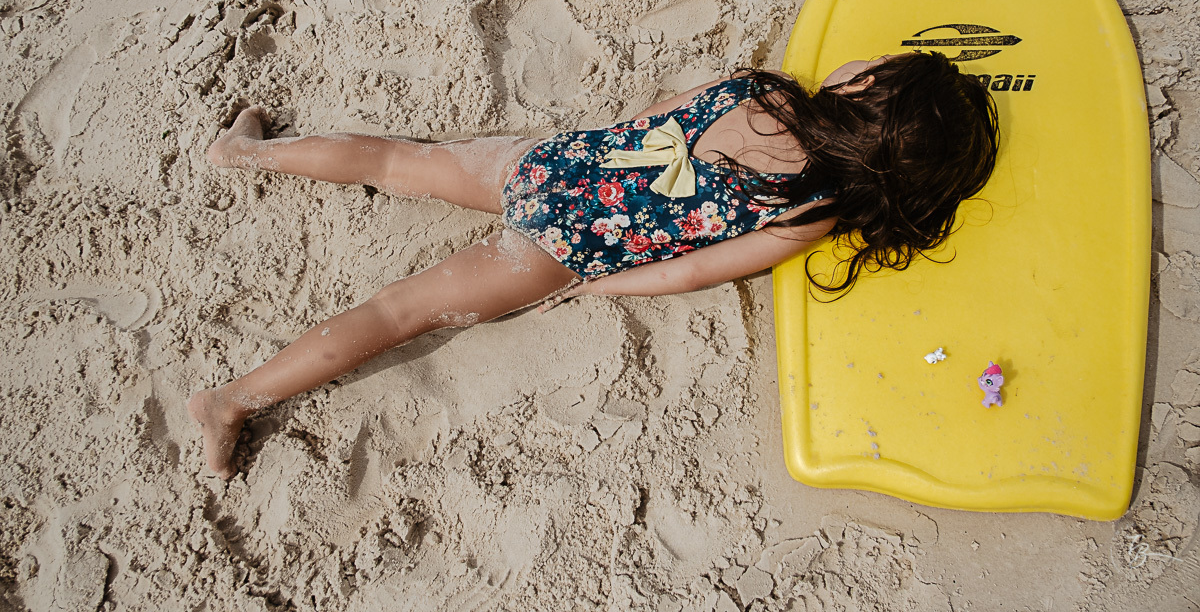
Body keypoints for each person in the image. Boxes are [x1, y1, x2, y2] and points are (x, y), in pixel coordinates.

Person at [188, 51, 999, 478]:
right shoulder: (808, 211)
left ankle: (243, 151)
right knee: (397, 315)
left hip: (556, 164)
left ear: (860, 88)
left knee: (396, 162)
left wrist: (601, 152)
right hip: (563, 248)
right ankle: (229, 401)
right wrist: (600, 279)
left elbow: (650, 119)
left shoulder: (762, 90)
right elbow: (689, 272)